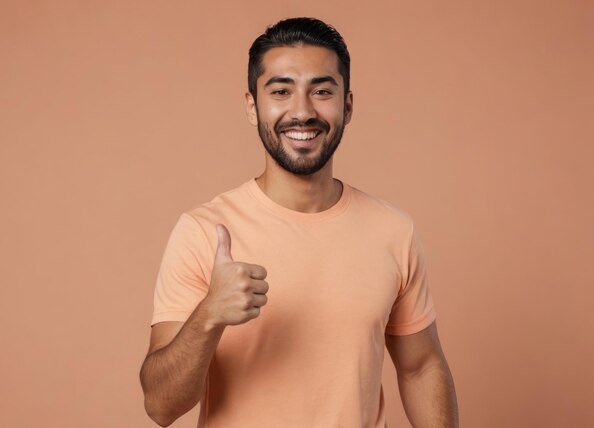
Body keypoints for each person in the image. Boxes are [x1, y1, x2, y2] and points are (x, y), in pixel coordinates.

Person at [139, 17, 458, 428]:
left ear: (347, 106)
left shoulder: (394, 231)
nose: (303, 111)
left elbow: (420, 367)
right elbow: (160, 407)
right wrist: (209, 315)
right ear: (253, 106)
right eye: (281, 91)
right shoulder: (204, 231)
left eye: (322, 91)